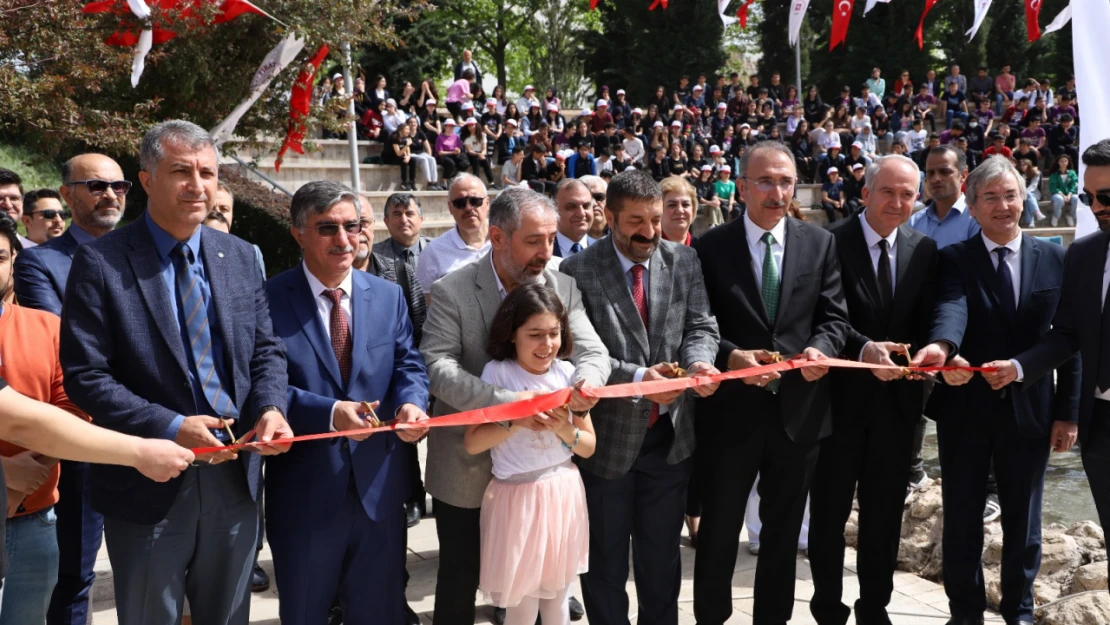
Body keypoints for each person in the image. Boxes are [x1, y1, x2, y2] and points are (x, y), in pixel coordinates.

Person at [58, 121, 294, 625]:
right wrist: (170, 425)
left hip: (235, 479)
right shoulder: (101, 262)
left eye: (207, 173)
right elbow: (86, 375)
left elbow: (267, 353)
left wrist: (272, 409)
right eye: (180, 171)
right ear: (146, 180)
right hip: (149, 482)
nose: (198, 185)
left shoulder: (241, 257)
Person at [421, 188, 610, 625]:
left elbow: (593, 351)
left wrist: (585, 384)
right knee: (460, 579)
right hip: (467, 466)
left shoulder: (562, 285)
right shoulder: (453, 289)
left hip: (543, 478)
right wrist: (511, 406)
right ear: (498, 237)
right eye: (533, 241)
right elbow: (437, 365)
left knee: (545, 589)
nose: (547, 252)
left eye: (550, 239)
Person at [911, 156, 1079, 625]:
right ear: (972, 204)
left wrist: (1068, 413)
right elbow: (951, 308)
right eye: (990, 197)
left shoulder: (1054, 256)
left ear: (1024, 199)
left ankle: (1019, 613)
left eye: (1010, 195)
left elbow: (1070, 341)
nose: (1003, 206)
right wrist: (945, 348)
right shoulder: (954, 259)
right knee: (962, 518)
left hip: (1031, 410)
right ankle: (965, 614)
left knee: (1023, 523)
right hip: (964, 405)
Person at [691, 141, 850, 625]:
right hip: (730, 417)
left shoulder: (819, 242)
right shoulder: (710, 247)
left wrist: (823, 347)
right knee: (718, 534)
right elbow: (697, 323)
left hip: (798, 416)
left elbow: (835, 318)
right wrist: (731, 357)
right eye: (765, 181)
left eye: (785, 181)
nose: (777, 191)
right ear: (741, 187)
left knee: (781, 539)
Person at [264, 181, 429, 625]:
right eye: (327, 228)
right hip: (306, 493)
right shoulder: (268, 298)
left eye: (352, 226)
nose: (344, 240)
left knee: (379, 612)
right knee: (305, 613)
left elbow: (407, 365)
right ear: (297, 233)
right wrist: (328, 412)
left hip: (379, 488)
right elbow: (262, 386)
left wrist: (412, 403)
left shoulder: (388, 295)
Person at [559, 169, 719, 625]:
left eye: (654, 219)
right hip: (606, 443)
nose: (648, 232)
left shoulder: (683, 261)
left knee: (660, 562)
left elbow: (701, 327)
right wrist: (640, 377)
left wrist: (699, 364)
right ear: (607, 216)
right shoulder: (577, 271)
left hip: (669, 441)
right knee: (606, 565)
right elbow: (577, 356)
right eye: (635, 222)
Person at [808, 155, 940, 625]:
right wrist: (864, 348)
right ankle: (827, 607)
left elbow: (929, 321)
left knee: (884, 518)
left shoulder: (924, 250)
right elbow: (824, 317)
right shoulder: (827, 243)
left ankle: (874, 608)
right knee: (828, 514)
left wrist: (935, 352)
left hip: (899, 410)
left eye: (908, 194)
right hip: (837, 406)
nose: (898, 202)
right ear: (866, 193)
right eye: (888, 191)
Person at [12, 153, 127, 625]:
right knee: (75, 574)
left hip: (155, 430)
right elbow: (66, 345)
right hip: (83, 431)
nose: (109, 194)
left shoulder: (143, 253)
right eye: (96, 185)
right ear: (66, 194)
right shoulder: (41, 263)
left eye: (119, 186)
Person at [1004, 139, 1110, 581]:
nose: (1097, 206)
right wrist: (1019, 367)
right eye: (1089, 197)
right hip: (1102, 428)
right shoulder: (1083, 255)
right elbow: (1066, 335)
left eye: (1107, 196)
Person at [463, 283, 595, 625]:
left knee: (557, 600)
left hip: (563, 493)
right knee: (521, 605)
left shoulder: (567, 374)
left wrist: (562, 428)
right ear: (512, 334)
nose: (547, 344)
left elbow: (589, 445)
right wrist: (516, 421)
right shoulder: (497, 374)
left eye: (554, 333)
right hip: (516, 499)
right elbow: (473, 442)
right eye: (535, 334)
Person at [417, 174, 492, 297]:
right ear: (450, 208)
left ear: (487, 203)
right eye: (460, 203)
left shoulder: (507, 241)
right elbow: (429, 305)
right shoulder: (433, 253)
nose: (468, 207)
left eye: (475, 201)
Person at [350, 197, 396, 280]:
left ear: (373, 226)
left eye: (364, 222)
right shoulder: (322, 279)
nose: (358, 231)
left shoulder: (402, 273)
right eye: (350, 224)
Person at [552, 179, 594, 258]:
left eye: (586, 206)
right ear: (554, 210)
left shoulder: (607, 251)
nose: (581, 214)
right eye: (571, 207)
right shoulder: (542, 252)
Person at [0, 169, 34, 250]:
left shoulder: (35, 251)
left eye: (14, 198)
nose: (8, 205)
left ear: (22, 202)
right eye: (0, 198)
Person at [660, 176, 695, 245]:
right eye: (672, 205)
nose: (680, 210)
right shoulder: (646, 250)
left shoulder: (704, 249)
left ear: (693, 210)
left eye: (685, 205)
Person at [1049, 154, 1079, 227]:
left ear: (1068, 162)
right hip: (1057, 194)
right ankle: (1056, 216)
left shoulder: (1072, 173)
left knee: (1076, 198)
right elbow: (1053, 187)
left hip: (1070, 193)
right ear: (1058, 162)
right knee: (1059, 199)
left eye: (1065, 161)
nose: (1063, 163)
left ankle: (1070, 215)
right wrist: (1063, 196)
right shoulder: (1054, 174)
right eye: (1061, 161)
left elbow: (1074, 184)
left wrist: (1069, 194)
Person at [386, 124, 418, 191]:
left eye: (409, 129)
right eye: (406, 129)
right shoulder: (394, 137)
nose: (408, 131)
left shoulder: (406, 137)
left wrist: (408, 157)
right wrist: (406, 145)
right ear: (401, 130)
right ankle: (404, 182)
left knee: (413, 160)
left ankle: (412, 181)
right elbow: (398, 153)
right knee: (404, 161)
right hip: (390, 157)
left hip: (400, 156)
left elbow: (408, 151)